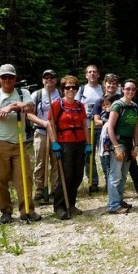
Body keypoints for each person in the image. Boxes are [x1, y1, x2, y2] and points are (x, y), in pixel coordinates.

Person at [0, 64, 41, 223]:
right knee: (0, 179)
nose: (7, 80)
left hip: (20, 142)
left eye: (10, 77)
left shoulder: (24, 93)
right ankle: (5, 211)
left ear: (15, 78)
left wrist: (13, 106)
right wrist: (14, 107)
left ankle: (27, 210)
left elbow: (30, 108)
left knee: (24, 178)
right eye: (4, 77)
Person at [48, 75, 90, 220]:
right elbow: (50, 125)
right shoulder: (57, 105)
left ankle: (71, 203)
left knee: (78, 175)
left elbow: (85, 125)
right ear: (63, 89)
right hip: (65, 143)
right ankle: (59, 206)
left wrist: (88, 144)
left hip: (80, 142)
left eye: (74, 87)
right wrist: (54, 143)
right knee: (66, 175)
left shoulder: (80, 105)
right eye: (67, 87)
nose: (71, 90)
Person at [107, 79, 138, 214]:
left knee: (123, 175)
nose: (130, 91)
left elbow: (136, 127)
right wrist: (116, 146)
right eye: (128, 89)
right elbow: (110, 127)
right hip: (118, 142)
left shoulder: (134, 106)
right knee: (115, 175)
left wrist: (136, 145)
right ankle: (113, 205)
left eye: (133, 89)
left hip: (128, 144)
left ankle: (119, 200)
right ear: (123, 90)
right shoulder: (117, 105)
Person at [27, 69, 61, 203]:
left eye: (52, 78)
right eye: (46, 78)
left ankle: (55, 188)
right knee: (40, 162)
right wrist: (43, 123)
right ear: (42, 80)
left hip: (57, 133)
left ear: (56, 80)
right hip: (41, 132)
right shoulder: (37, 94)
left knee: (56, 161)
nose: (49, 80)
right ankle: (40, 189)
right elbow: (29, 114)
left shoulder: (60, 94)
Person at [77, 64, 103, 193]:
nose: (92, 74)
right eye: (90, 72)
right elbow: (76, 106)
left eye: (95, 72)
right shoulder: (81, 90)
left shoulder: (102, 89)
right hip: (86, 127)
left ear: (98, 74)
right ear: (86, 75)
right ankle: (93, 182)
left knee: (104, 154)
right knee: (89, 155)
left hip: (100, 126)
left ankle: (110, 180)